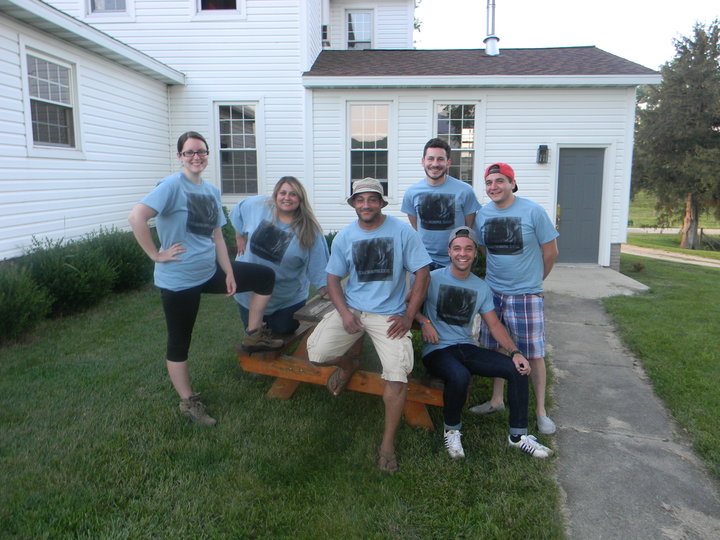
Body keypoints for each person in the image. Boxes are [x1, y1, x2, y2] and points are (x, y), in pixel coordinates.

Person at [128, 131, 283, 427]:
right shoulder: (172, 185)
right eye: (189, 153)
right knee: (180, 341)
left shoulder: (211, 190)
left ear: (207, 154)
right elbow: (136, 217)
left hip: (208, 270)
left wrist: (227, 271)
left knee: (264, 276)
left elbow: (216, 235)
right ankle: (188, 402)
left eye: (201, 151)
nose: (196, 157)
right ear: (179, 157)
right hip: (179, 279)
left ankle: (253, 332)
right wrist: (155, 254)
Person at [306, 177, 431, 473]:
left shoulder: (401, 231)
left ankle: (387, 444)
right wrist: (344, 313)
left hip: (389, 316)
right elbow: (333, 279)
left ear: (382, 203)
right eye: (360, 200)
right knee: (316, 354)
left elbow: (422, 273)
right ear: (353, 204)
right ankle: (348, 363)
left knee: (398, 376)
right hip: (353, 309)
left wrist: (408, 315)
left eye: (372, 199)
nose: (366, 205)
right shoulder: (345, 237)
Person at [417, 226, 553, 459]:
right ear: (449, 251)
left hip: (465, 347)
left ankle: (518, 436)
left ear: (475, 254)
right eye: (457, 248)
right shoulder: (432, 278)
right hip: (437, 350)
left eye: (469, 248)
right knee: (459, 376)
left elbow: (495, 325)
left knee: (517, 369)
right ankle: (452, 431)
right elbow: (408, 306)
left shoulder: (481, 287)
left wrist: (515, 352)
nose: (463, 253)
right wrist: (424, 321)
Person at [469, 163, 559, 435]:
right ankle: (497, 400)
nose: (493, 187)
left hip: (526, 294)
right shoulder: (483, 215)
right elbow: (484, 248)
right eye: (489, 183)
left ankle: (541, 412)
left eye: (499, 181)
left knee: (533, 353)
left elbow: (551, 252)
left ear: (512, 183)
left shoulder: (533, 211)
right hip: (493, 292)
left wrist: (534, 281)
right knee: (498, 347)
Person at [230, 176, 329, 336]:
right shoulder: (258, 206)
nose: (287, 198)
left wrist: (327, 291)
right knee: (254, 337)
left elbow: (319, 266)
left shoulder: (310, 231)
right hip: (248, 294)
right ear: (276, 194)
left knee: (283, 332)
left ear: (300, 199)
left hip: (286, 298)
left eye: (293, 194)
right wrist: (239, 235)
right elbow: (239, 209)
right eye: (283, 193)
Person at [401, 138, 480, 269]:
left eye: (440, 159)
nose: (435, 164)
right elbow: (416, 226)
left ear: (448, 162)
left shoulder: (465, 191)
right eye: (430, 159)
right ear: (423, 161)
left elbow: (469, 225)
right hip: (423, 261)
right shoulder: (412, 193)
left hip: (455, 261)